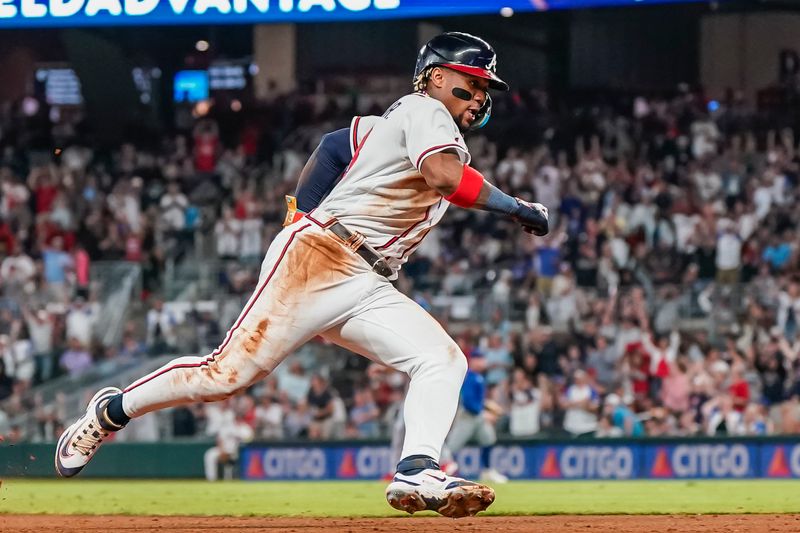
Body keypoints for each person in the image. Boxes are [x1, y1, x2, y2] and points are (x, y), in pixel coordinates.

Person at [55, 32, 548, 519]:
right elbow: (444, 178)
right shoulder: (426, 111)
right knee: (224, 376)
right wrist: (516, 206)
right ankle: (110, 412)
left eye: (486, 88)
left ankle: (417, 469)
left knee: (441, 360)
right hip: (325, 255)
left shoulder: (404, 125)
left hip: (369, 278)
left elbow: (337, 145)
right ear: (437, 77)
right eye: (474, 82)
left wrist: (303, 212)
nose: (482, 95)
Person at [443, 352, 509, 484]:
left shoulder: (479, 377)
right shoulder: (468, 376)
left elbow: (478, 400)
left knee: (488, 439)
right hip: (468, 416)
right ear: (473, 361)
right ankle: (443, 471)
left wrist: (487, 407)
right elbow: (468, 401)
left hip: (477, 416)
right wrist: (483, 412)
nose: (484, 361)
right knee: (452, 447)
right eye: (480, 359)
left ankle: (487, 471)